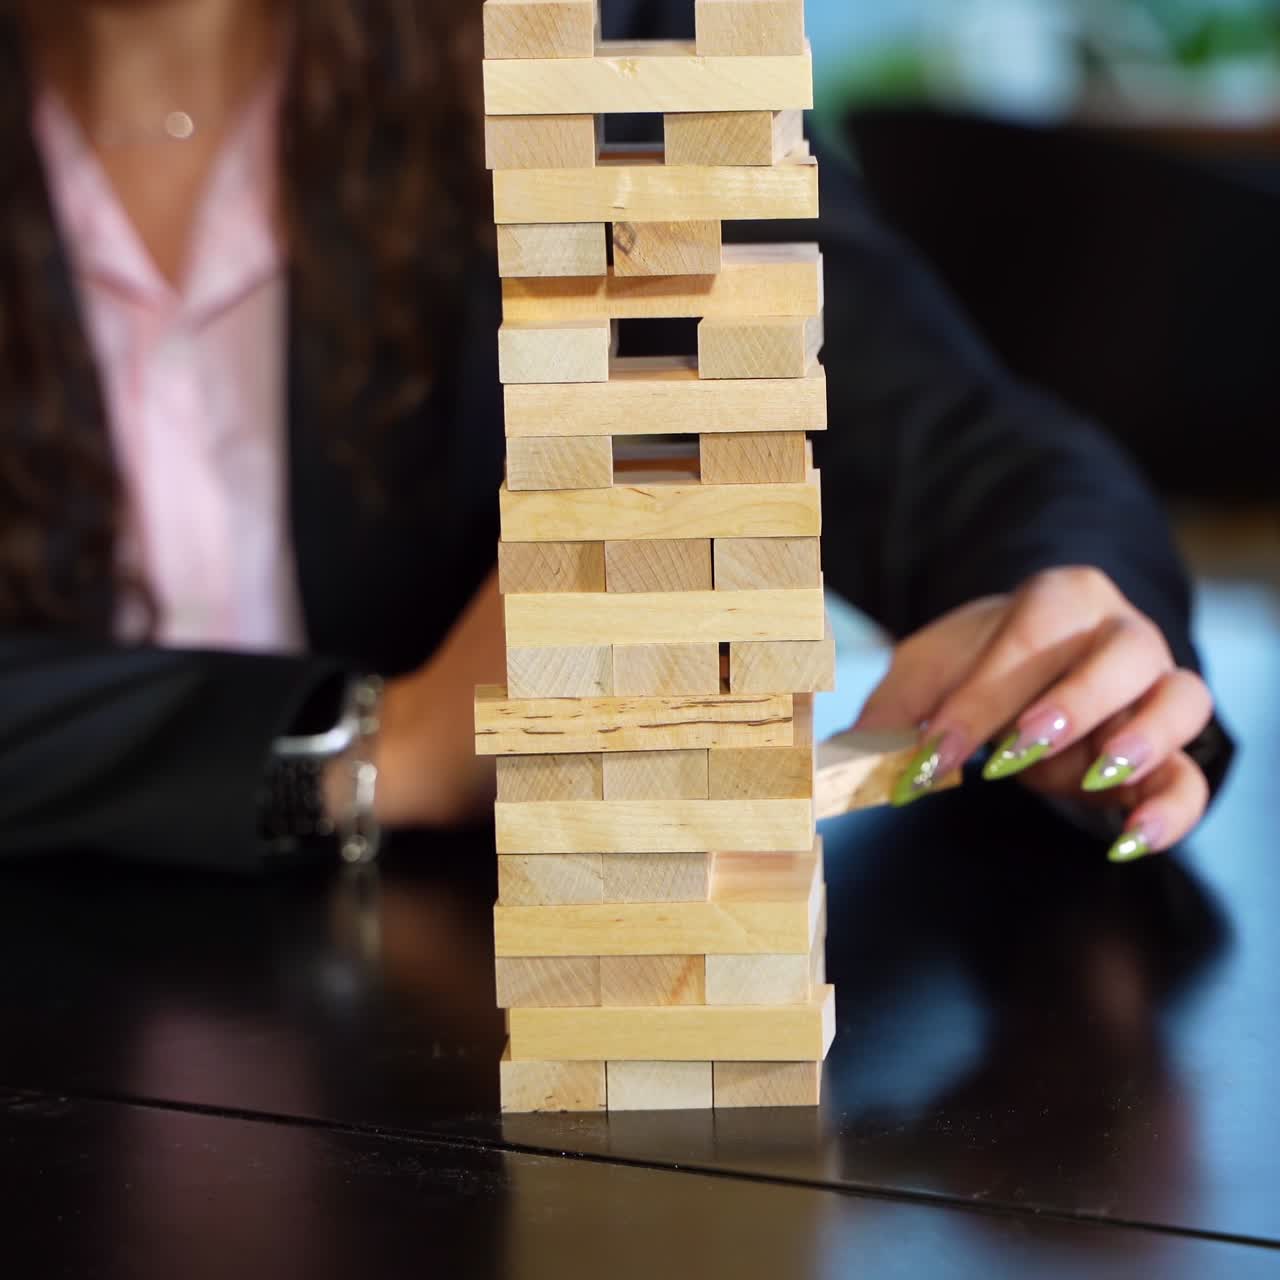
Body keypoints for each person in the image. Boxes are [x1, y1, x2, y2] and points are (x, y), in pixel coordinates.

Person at [0, 0, 1231, 871]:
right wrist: (395, 742)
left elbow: (947, 439)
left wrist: (1063, 632)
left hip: (430, 1051)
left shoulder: (599, 36)